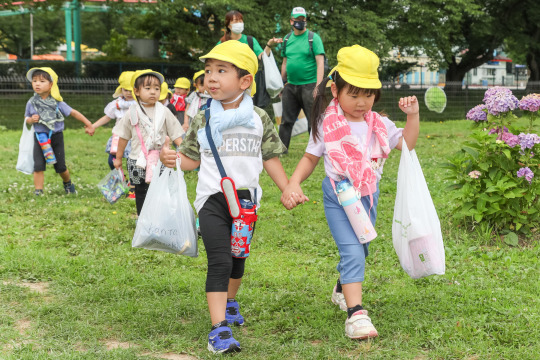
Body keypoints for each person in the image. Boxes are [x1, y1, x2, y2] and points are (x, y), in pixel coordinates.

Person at [281, 45, 420, 340]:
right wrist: (293, 182)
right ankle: (356, 314)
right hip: (338, 195)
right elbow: (309, 158)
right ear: (335, 90)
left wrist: (412, 116)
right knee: (353, 250)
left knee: (363, 248)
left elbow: (407, 143)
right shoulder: (327, 123)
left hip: (368, 194)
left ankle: (342, 288)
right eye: (353, 94)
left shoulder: (379, 123)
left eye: (368, 94)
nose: (361, 102)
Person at [160, 41, 288, 354]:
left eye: (221, 71)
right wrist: (173, 158)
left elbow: (270, 156)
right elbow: (191, 160)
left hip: (246, 204)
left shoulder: (259, 118)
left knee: (237, 259)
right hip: (212, 201)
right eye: (207, 71)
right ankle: (219, 330)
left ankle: (231, 302)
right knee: (219, 261)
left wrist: (288, 187)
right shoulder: (203, 118)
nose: (211, 78)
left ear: (245, 81)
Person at [112, 70, 184, 216]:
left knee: (162, 189)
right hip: (136, 160)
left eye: (157, 89)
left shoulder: (164, 111)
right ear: (136, 91)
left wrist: (184, 153)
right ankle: (142, 219)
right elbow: (123, 137)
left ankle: (159, 217)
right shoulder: (132, 112)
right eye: (148, 88)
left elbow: (177, 135)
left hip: (161, 159)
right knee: (140, 190)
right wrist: (118, 158)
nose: (153, 92)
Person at [24, 67, 95, 196]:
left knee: (60, 166)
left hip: (56, 137)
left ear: (51, 85)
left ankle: (68, 183)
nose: (37, 84)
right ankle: (38, 191)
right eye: (34, 81)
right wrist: (30, 120)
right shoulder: (31, 102)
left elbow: (73, 112)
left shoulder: (57, 102)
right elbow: (26, 118)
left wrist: (88, 123)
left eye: (42, 81)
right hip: (40, 137)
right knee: (38, 165)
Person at [279, 6, 325, 151]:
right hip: (291, 86)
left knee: (313, 121)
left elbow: (320, 63)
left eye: (302, 19)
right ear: (291, 21)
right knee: (286, 121)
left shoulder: (313, 38)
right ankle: (281, 149)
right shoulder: (287, 39)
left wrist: (318, 85)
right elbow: (285, 62)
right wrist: (282, 83)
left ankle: (315, 150)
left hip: (309, 85)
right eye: (297, 19)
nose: (300, 21)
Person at [218, 10, 283, 108]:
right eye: (235, 21)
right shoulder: (222, 43)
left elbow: (262, 57)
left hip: (250, 87)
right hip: (229, 87)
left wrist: (269, 45)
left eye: (240, 21)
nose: (239, 24)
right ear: (228, 25)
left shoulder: (250, 40)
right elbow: (214, 62)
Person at [92, 71, 136, 171]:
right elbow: (107, 117)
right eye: (126, 90)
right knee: (112, 161)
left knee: (132, 163)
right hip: (119, 136)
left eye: (131, 90)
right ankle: (119, 178)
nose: (128, 93)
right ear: (121, 89)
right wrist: (93, 126)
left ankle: (134, 184)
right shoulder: (117, 104)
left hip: (134, 137)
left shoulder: (141, 104)